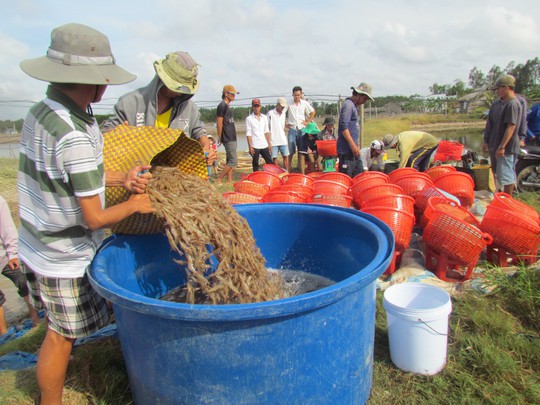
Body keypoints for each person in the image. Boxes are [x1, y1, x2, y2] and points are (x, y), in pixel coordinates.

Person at [18, 23, 155, 404]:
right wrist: (136, 204)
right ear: (92, 81)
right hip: (60, 251)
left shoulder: (44, 111)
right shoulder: (74, 134)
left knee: (66, 326)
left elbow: (74, 175)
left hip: (36, 236)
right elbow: (94, 218)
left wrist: (121, 180)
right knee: (61, 336)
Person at [103, 51, 216, 166]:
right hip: (137, 175)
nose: (179, 92)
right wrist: (120, 135)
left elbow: (198, 131)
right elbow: (107, 137)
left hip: (175, 175)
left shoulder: (189, 108)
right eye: (176, 86)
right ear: (162, 78)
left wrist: (206, 147)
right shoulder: (130, 104)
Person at [0, 195, 40, 335]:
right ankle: (3, 333)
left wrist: (13, 254)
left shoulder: (0, 201)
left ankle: (36, 319)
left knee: (23, 281)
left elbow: (8, 229)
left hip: (3, 255)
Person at [482, 74, 524, 194]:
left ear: (506, 88)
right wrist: (486, 141)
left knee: (506, 175)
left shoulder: (513, 104)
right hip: (494, 144)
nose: (496, 91)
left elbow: (511, 127)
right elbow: (489, 124)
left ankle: (507, 200)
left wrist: (502, 146)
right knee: (496, 172)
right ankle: (499, 196)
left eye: (498, 89)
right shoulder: (496, 104)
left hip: (507, 148)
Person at [338, 83, 374, 177]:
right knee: (347, 178)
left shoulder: (353, 106)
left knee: (359, 176)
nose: (364, 102)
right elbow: (343, 127)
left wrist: (355, 146)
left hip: (353, 151)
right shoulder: (348, 105)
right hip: (346, 151)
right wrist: (353, 145)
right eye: (364, 99)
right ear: (358, 94)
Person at [286, 86, 316, 171]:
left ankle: (299, 168)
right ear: (293, 95)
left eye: (298, 95)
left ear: (301, 94)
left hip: (302, 129)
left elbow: (313, 112)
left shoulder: (304, 103)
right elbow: (282, 113)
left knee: (301, 150)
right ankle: (288, 169)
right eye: (295, 95)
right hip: (292, 129)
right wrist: (285, 124)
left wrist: (307, 121)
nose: (297, 97)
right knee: (291, 150)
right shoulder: (289, 103)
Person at [217, 84, 239, 182]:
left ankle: (229, 180)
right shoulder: (222, 106)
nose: (234, 96)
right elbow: (219, 122)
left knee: (229, 159)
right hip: (227, 136)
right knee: (234, 161)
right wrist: (220, 136)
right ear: (226, 94)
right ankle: (219, 179)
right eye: (232, 94)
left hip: (232, 136)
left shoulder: (227, 106)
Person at [245, 98, 273, 172]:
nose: (256, 108)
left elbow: (266, 131)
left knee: (269, 161)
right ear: (252, 107)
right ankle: (256, 176)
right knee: (255, 162)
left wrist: (269, 143)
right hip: (255, 144)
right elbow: (248, 133)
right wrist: (250, 146)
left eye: (258, 106)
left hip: (264, 143)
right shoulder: (249, 119)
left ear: (260, 107)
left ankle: (271, 175)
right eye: (255, 106)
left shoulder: (264, 118)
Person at [267, 97, 290, 171]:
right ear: (278, 104)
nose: (283, 108)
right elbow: (266, 127)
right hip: (273, 140)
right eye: (282, 106)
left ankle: (287, 172)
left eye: (284, 107)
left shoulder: (283, 114)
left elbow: (283, 125)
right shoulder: (270, 113)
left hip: (283, 139)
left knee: (286, 156)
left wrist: (288, 126)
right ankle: (277, 172)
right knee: (274, 157)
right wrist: (268, 141)